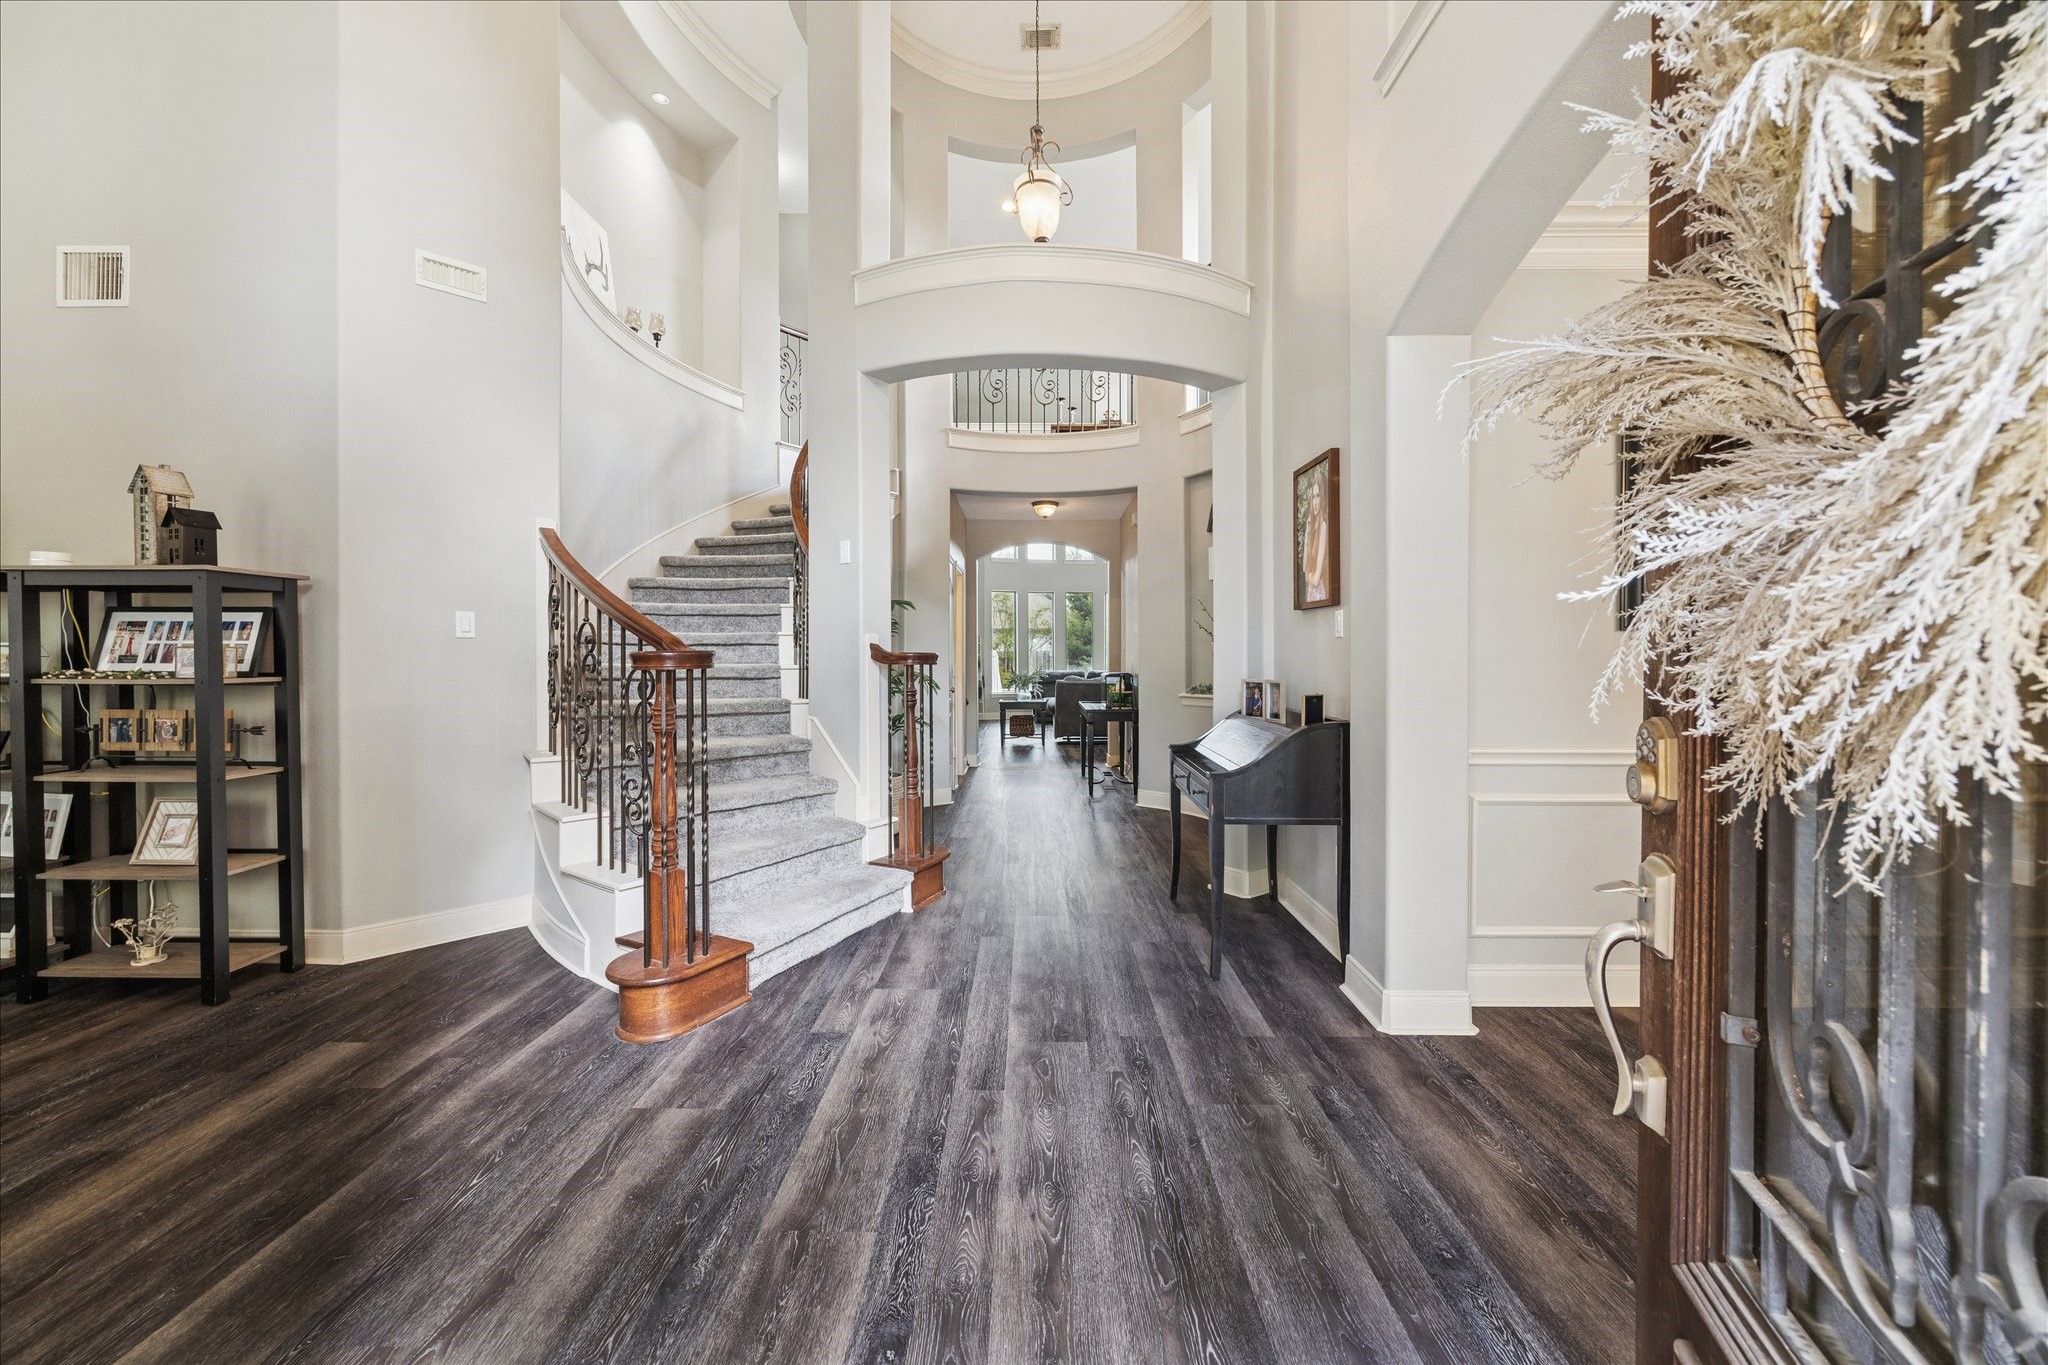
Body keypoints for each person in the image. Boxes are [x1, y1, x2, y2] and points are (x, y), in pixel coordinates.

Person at [1300, 471, 1329, 603]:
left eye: (1318, 496)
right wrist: (1307, 533)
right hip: (1310, 595)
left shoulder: (1323, 526)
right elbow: (1305, 567)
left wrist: (1307, 576)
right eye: (1313, 497)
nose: (1315, 502)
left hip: (1319, 595)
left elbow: (1316, 579)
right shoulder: (1313, 528)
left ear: (1322, 498)